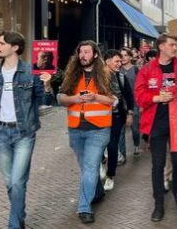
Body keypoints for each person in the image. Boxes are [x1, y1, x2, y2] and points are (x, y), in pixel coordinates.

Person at [0, 32, 53, 229]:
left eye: (2, 43)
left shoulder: (31, 72)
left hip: (24, 133)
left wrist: (46, 85)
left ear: (15, 47)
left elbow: (45, 101)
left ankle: (14, 225)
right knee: (10, 182)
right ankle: (19, 213)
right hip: (1, 132)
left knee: (18, 181)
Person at [135, 34, 177, 222]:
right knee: (157, 165)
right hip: (157, 123)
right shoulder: (147, 69)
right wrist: (157, 98)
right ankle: (158, 204)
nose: (175, 48)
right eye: (172, 45)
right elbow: (140, 95)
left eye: (176, 45)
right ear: (161, 47)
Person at [57, 40, 115, 224]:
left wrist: (96, 97)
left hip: (98, 130)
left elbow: (115, 100)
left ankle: (84, 207)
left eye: (87, 52)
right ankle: (97, 191)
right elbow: (60, 97)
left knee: (90, 168)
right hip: (76, 130)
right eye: (81, 52)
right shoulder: (72, 74)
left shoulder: (106, 75)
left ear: (95, 55)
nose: (83, 55)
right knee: (86, 168)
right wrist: (75, 98)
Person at [102, 50, 135, 191]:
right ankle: (102, 161)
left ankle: (110, 175)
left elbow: (129, 96)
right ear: (107, 61)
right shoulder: (97, 78)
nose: (119, 64)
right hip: (99, 117)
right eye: (116, 61)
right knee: (99, 145)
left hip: (116, 117)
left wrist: (130, 114)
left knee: (112, 145)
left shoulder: (121, 77)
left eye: (120, 61)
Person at [118, 47, 141, 160]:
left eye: (125, 55)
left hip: (134, 103)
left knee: (135, 129)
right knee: (121, 130)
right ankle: (122, 155)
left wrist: (140, 104)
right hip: (122, 104)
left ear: (131, 57)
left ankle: (136, 145)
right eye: (121, 55)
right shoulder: (117, 69)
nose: (123, 58)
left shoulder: (136, 69)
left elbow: (140, 87)